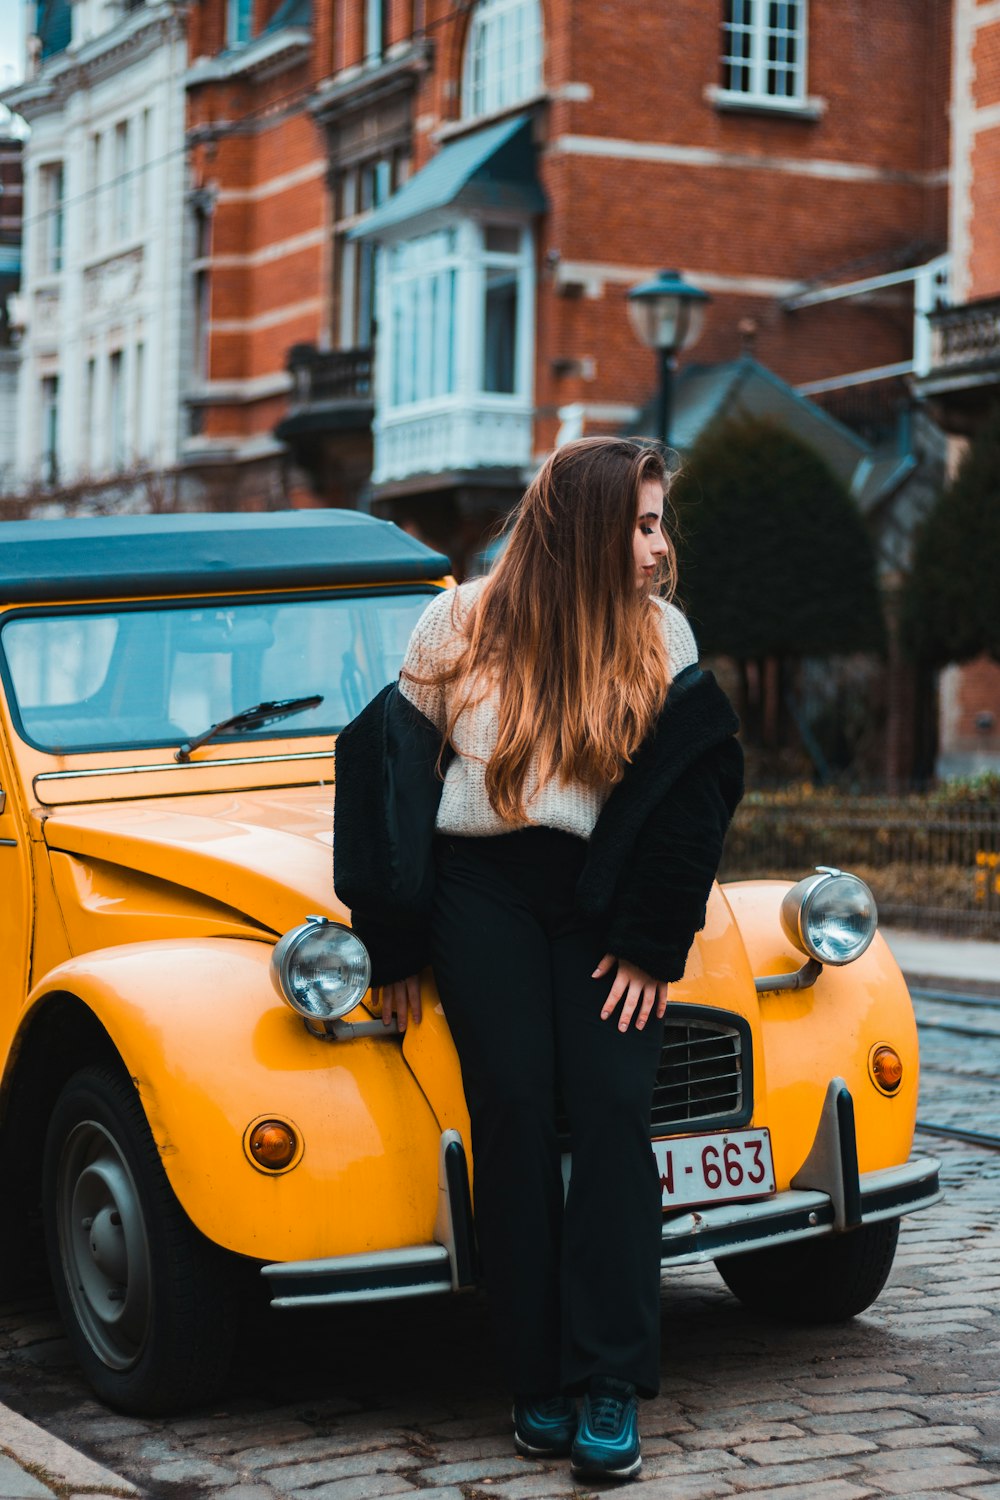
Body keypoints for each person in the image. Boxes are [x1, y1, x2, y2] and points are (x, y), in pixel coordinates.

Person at [333, 436, 743, 1483]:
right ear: (587, 524)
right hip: (483, 894)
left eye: (661, 526)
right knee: (512, 1110)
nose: (658, 548)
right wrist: (394, 942)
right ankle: (535, 1380)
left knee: (611, 1112)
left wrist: (655, 940)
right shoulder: (461, 619)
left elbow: (691, 795)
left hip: (601, 900)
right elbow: (386, 777)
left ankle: (608, 1382)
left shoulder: (663, 635)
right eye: (643, 524)